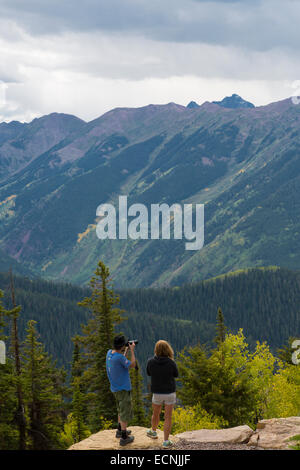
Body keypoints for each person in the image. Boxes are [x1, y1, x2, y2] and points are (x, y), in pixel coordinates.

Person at [146, 340, 178, 448]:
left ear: (156, 350)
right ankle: (166, 441)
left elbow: (149, 373)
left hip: (157, 392)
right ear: (168, 349)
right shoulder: (171, 363)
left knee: (156, 414)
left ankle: (153, 432)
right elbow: (176, 374)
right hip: (169, 392)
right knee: (168, 417)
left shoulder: (150, 362)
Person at [106, 334, 136, 446]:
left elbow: (120, 360)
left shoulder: (109, 354)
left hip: (115, 388)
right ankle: (124, 437)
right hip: (123, 389)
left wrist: (125, 350)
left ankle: (119, 430)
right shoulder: (120, 358)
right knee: (124, 412)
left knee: (120, 409)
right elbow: (132, 364)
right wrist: (132, 351)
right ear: (122, 345)